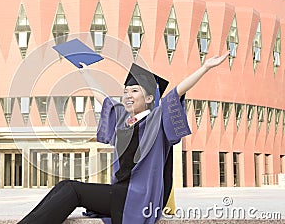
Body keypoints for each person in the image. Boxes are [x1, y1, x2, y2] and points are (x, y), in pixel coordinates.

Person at [18, 49, 230, 224]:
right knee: (64, 185)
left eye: (134, 91)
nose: (128, 95)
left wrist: (205, 67)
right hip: (120, 194)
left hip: (138, 198)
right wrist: (85, 72)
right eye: (126, 91)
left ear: (149, 98)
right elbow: (102, 97)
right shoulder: (122, 119)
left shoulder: (157, 120)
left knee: (73, 190)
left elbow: (177, 92)